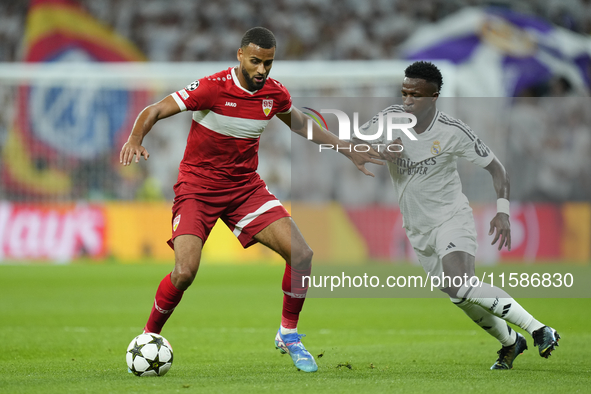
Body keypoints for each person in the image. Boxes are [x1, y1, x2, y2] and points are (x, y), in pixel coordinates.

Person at [119, 27, 381, 373]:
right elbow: (154, 109)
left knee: (302, 254)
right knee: (184, 271)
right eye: (255, 61)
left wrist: (347, 148)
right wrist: (135, 138)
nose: (261, 70)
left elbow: (301, 124)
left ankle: (288, 334)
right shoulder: (211, 88)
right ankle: (148, 336)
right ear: (240, 56)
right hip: (198, 188)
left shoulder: (274, 94)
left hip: (244, 189)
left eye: (268, 63)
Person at [356, 61, 560, 370]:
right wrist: (383, 150)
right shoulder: (388, 119)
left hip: (452, 218)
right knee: (460, 297)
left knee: (460, 283)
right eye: (405, 93)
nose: (408, 101)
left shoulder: (453, 131)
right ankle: (510, 343)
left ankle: (539, 329)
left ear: (434, 96)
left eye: (416, 96)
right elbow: (354, 143)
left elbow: (497, 169)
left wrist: (502, 212)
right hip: (418, 228)